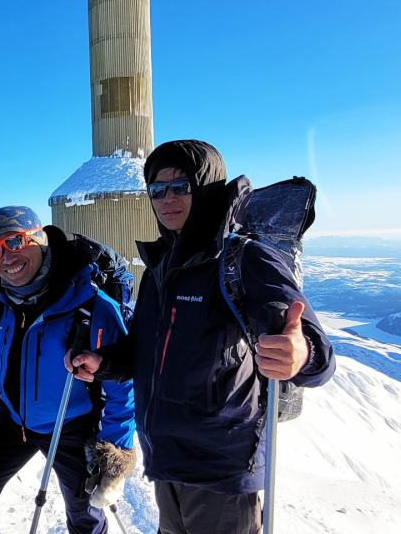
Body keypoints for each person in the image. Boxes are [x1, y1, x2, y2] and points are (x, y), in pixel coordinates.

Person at [68, 140, 336, 534]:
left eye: (181, 186)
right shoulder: (161, 268)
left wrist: (302, 353)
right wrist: (104, 362)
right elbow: (143, 351)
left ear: (207, 190)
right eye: (157, 190)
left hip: (220, 471)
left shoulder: (243, 259)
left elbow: (319, 356)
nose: (167, 199)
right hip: (166, 460)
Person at [0, 206, 137, 534]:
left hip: (71, 427)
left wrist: (112, 454)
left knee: (86, 521)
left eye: (15, 242)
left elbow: (122, 383)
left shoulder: (90, 302)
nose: (6, 257)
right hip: (11, 421)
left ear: (39, 238)